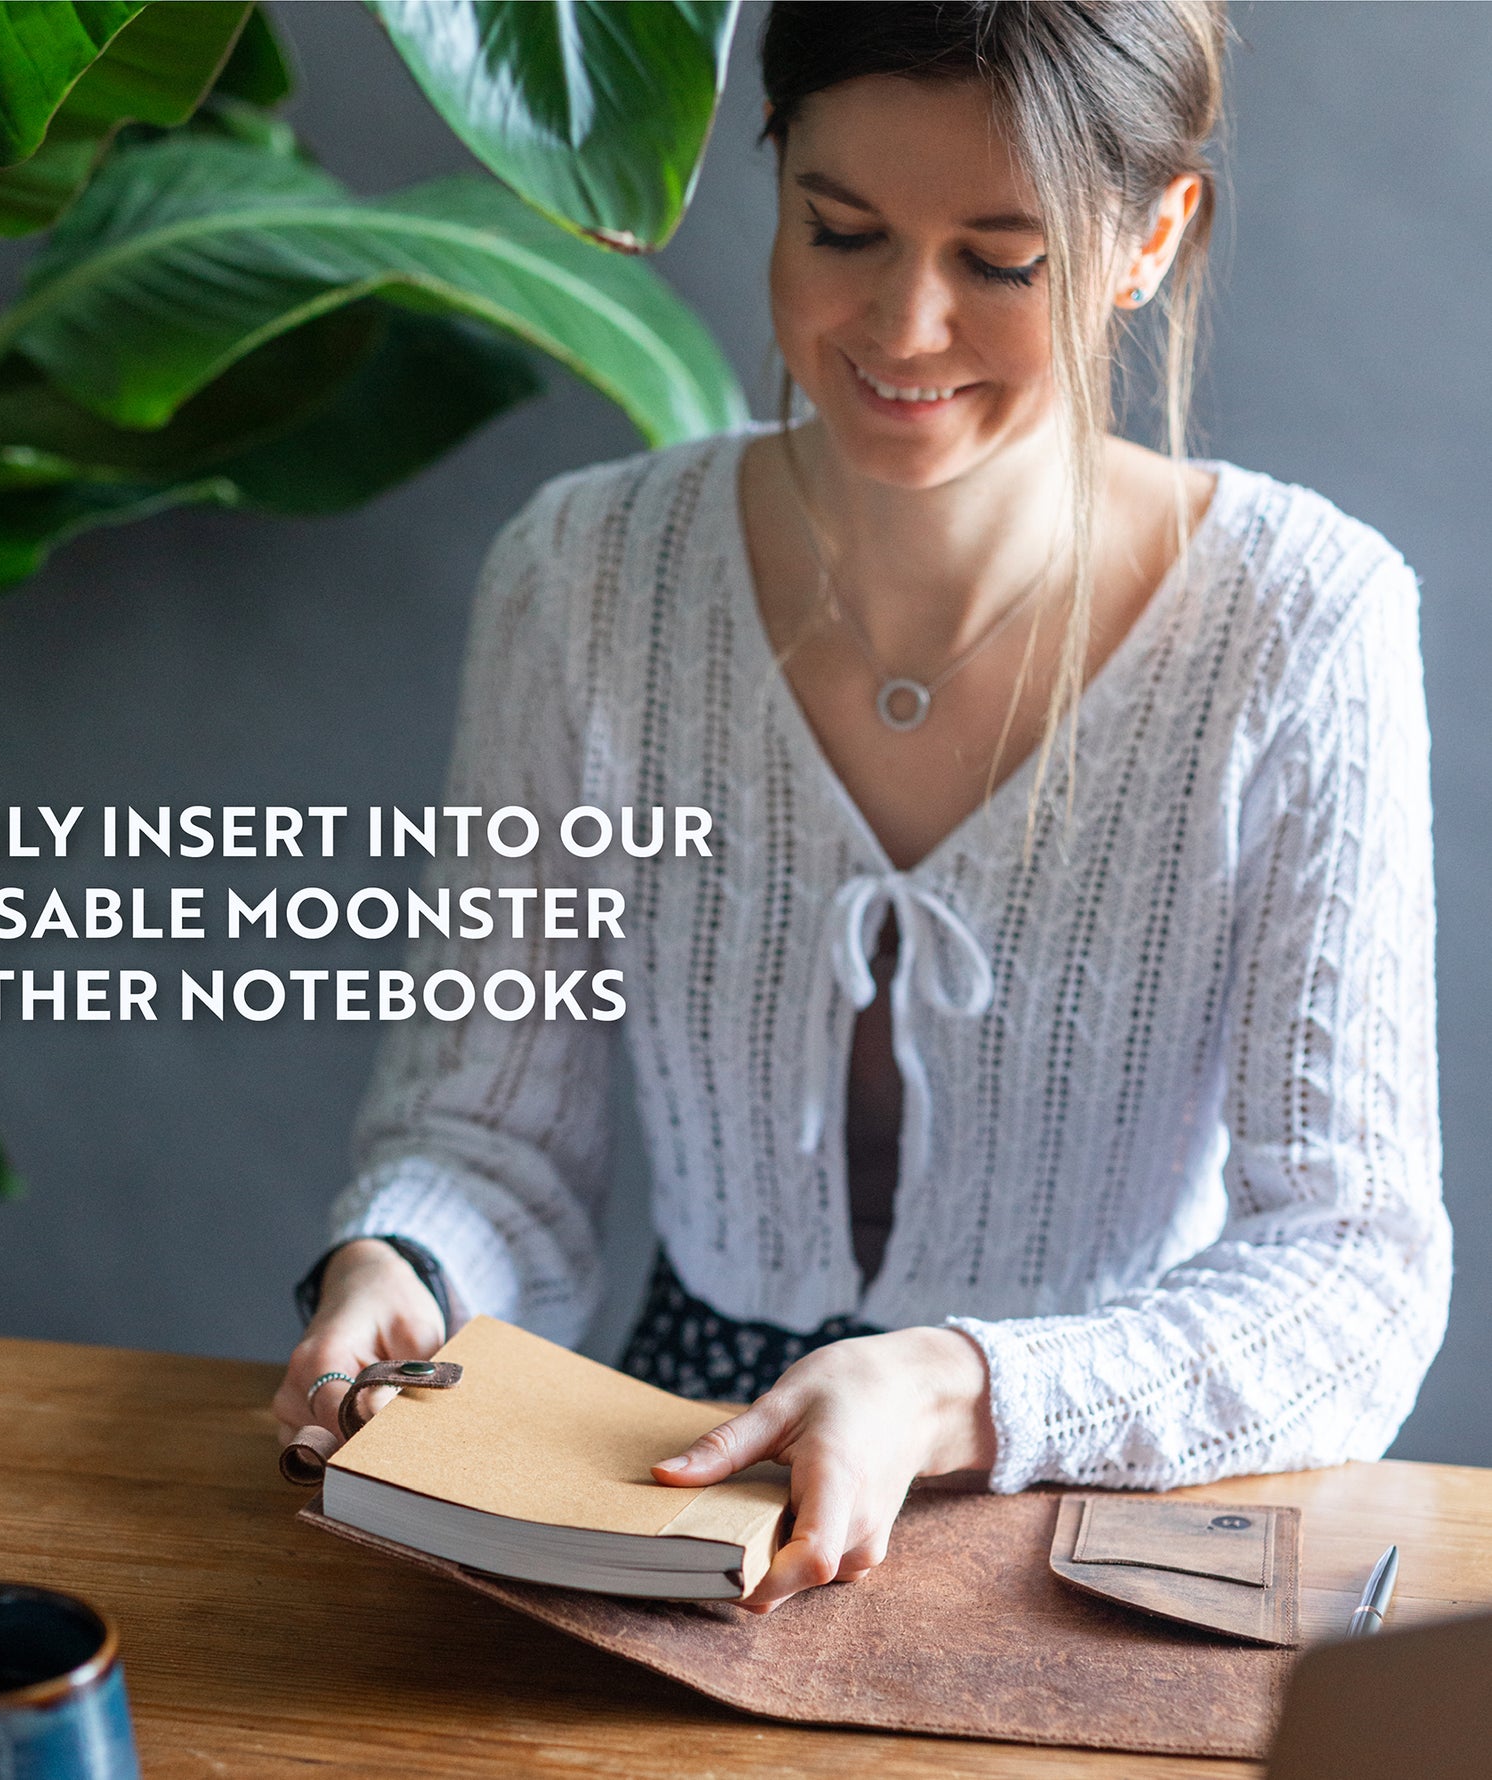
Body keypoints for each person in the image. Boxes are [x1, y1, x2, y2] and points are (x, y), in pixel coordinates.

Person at [273, 0, 1450, 1614]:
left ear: (1149, 239)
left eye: (1002, 259)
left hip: (1090, 1500)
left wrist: (958, 1389)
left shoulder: (1304, 623)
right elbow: (486, 1136)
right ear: (777, 175)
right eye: (843, 230)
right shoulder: (584, 579)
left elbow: (1355, 1273)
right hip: (663, 1474)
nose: (902, 327)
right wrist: (407, 1265)